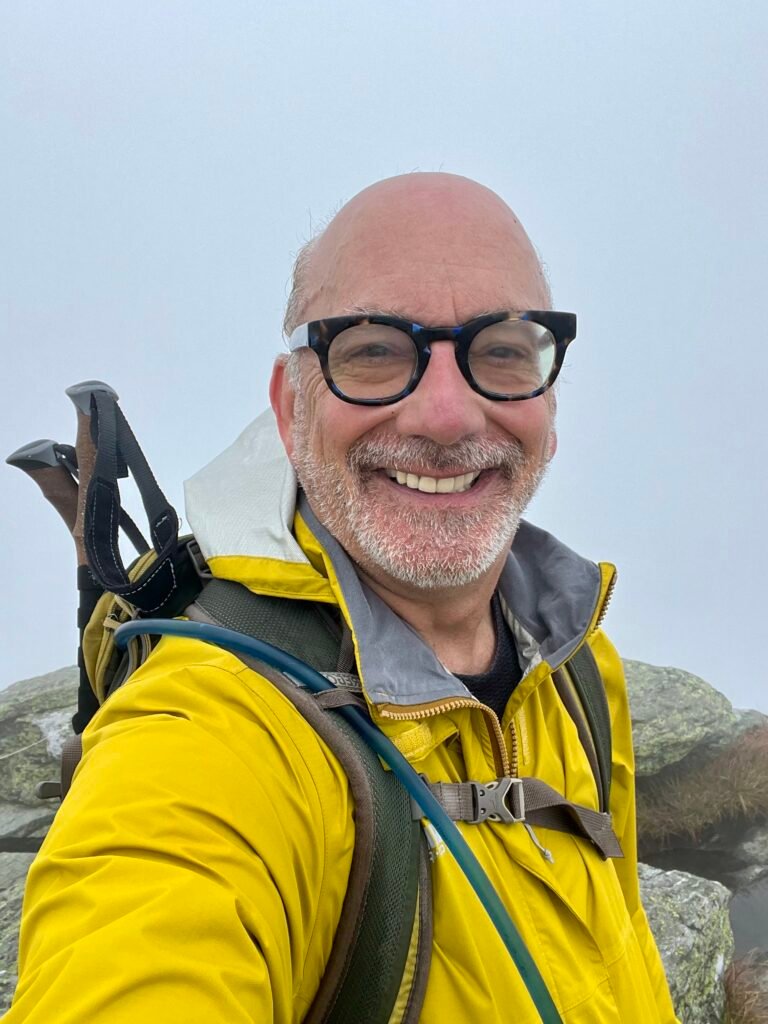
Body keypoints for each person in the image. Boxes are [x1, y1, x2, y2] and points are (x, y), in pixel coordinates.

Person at [7, 173, 678, 1022]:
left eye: (503, 350)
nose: (444, 414)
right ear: (292, 408)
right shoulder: (211, 737)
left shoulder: (580, 668)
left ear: (547, 393)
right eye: (373, 350)